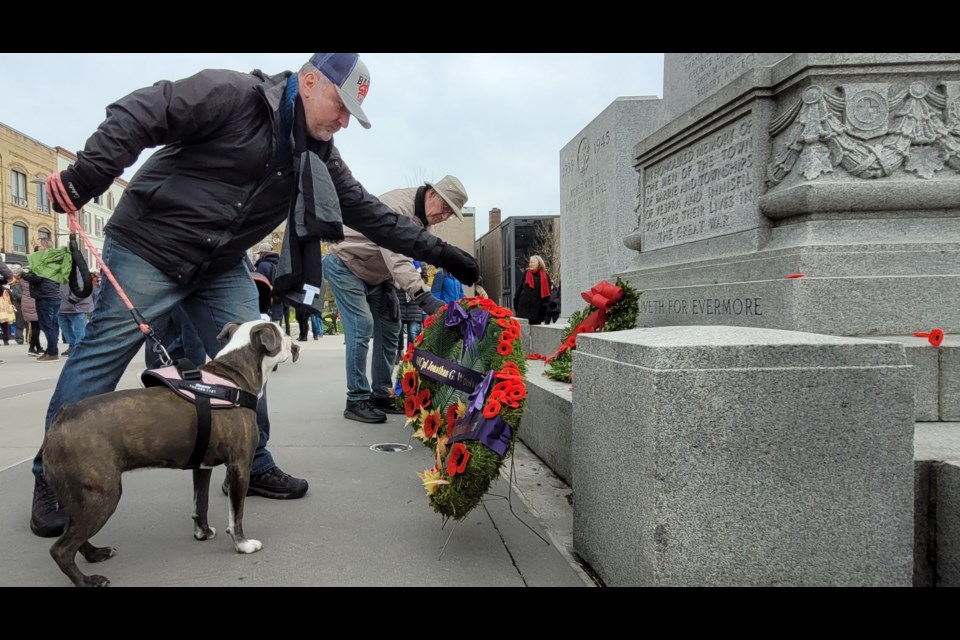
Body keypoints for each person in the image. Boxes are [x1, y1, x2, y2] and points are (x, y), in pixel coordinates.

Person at [31, 53, 479, 538]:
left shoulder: (320, 154)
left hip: (220, 266)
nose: (344, 121)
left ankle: (251, 460)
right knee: (100, 356)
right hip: (150, 246)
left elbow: (374, 216)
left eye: (353, 113)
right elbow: (143, 111)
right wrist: (88, 175)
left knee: (251, 360)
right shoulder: (233, 95)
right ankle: (52, 477)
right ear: (309, 82)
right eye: (341, 105)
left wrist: (445, 254)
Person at [324, 175, 469, 424]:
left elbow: (409, 260)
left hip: (377, 277)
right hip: (345, 265)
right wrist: (423, 296)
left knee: (391, 329)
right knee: (362, 326)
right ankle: (357, 399)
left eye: (450, 214)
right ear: (432, 193)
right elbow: (396, 256)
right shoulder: (398, 208)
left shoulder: (422, 224)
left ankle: (380, 393)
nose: (445, 216)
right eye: (445, 208)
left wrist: (392, 286)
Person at [20, 239, 62, 363]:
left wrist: (23, 274)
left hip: (45, 296)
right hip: (54, 296)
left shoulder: (43, 260)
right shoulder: (54, 259)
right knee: (53, 325)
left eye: (39, 245)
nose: (37, 247)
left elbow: (38, 277)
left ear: (43, 247)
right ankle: (50, 350)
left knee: (47, 325)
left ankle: (53, 353)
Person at [58, 271, 95, 356]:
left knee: (78, 328)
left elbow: (81, 287)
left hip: (77, 306)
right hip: (63, 305)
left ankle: (79, 347)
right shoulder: (60, 270)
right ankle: (72, 345)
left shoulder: (77, 270)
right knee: (64, 326)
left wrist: (73, 299)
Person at [513, 255, 553, 326]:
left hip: (536, 313)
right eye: (530, 262)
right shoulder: (526, 274)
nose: (530, 264)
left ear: (538, 263)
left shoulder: (545, 276)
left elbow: (547, 296)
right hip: (522, 311)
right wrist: (516, 304)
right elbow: (519, 289)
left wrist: (543, 313)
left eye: (532, 262)